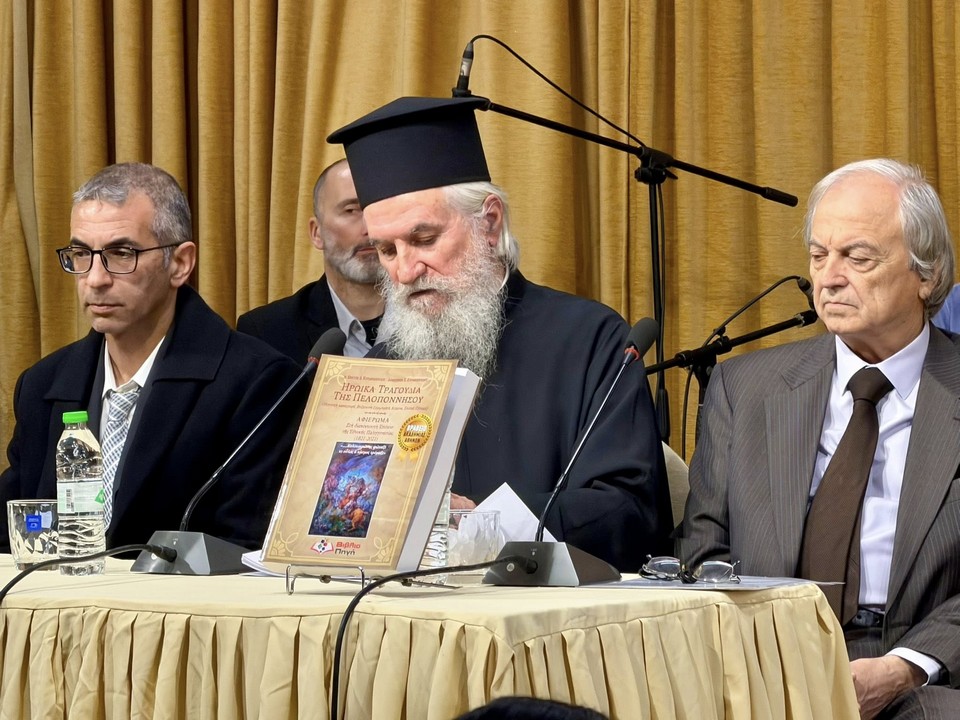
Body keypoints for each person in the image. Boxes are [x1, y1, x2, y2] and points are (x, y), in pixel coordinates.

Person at [327, 97, 672, 572]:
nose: (404, 271)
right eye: (386, 250)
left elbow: (628, 511)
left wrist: (484, 524)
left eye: (424, 240)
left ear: (489, 223)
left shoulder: (591, 341)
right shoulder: (380, 369)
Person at [678, 158, 960, 718]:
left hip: (922, 674)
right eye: (818, 255)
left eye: (857, 257)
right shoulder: (745, 389)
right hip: (766, 661)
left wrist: (906, 666)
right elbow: (704, 552)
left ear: (926, 274)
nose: (828, 278)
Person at [0, 163, 305, 552]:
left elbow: (243, 546)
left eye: (121, 253)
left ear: (180, 263)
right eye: (81, 254)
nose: (95, 279)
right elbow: (13, 531)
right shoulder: (43, 383)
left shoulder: (257, 382)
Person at [237, 159, 384, 361]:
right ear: (316, 233)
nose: (370, 229)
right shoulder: (267, 332)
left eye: (379, 209)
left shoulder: (428, 315)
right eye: (351, 210)